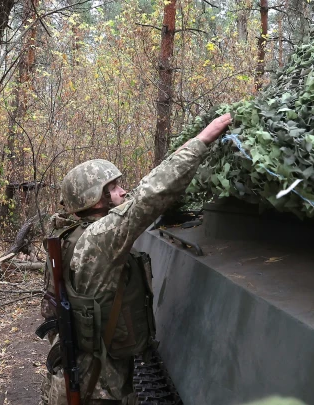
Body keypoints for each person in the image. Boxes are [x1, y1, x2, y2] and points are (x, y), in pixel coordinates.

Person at [39, 113, 233, 405]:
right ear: (97, 199)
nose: (123, 191)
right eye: (115, 188)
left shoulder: (72, 236)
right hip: (98, 387)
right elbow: (150, 195)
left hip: (81, 374)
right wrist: (203, 140)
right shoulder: (99, 238)